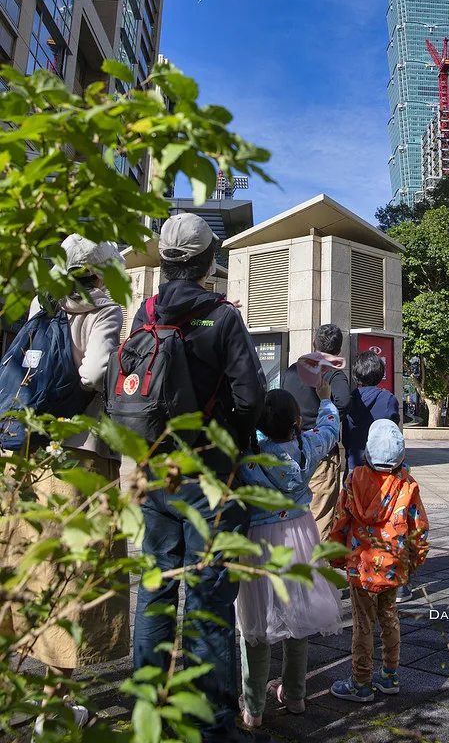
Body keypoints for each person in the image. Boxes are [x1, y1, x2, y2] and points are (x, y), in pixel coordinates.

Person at [131, 213, 270, 743]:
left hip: (158, 471)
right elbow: (251, 397)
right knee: (209, 595)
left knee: (156, 589)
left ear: (166, 262)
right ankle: (213, 722)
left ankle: (150, 705)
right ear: (209, 261)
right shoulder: (222, 317)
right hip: (212, 476)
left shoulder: (144, 312)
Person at [9, 236, 128, 734]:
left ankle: (13, 686)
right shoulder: (105, 310)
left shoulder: (43, 301)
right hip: (77, 454)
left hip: (24, 450)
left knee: (21, 564)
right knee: (72, 579)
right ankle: (53, 709)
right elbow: (96, 370)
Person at [236, 386, 342, 728]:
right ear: (297, 421)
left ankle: (253, 707)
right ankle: (295, 695)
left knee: (256, 622)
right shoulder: (306, 447)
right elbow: (329, 427)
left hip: (260, 540)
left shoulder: (248, 449)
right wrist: (325, 397)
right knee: (299, 615)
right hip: (300, 532)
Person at [328, 420, 429, 702]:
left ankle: (361, 682)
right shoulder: (407, 485)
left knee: (362, 624)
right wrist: (416, 559)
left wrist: (336, 556)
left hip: (361, 567)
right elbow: (418, 527)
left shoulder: (353, 480)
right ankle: (389, 675)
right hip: (394, 565)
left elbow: (340, 521)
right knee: (389, 617)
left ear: (368, 453)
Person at [281, 324, 358, 540]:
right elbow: (343, 401)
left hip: (291, 448)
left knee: (294, 511)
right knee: (320, 514)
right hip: (321, 453)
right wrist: (328, 421)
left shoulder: (293, 369)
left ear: (314, 343)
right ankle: (315, 567)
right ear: (339, 350)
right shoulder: (333, 373)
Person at [344, 350, 400, 471]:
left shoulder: (349, 399)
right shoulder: (388, 399)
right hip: (381, 467)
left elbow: (346, 437)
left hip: (354, 465)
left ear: (355, 375)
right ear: (380, 374)